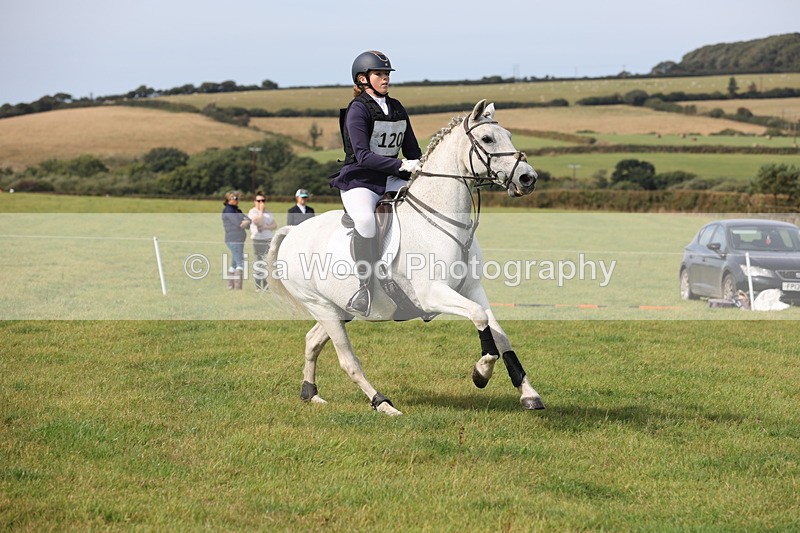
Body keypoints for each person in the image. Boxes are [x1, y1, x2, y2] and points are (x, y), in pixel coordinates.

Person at [330, 50, 423, 316]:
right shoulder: (357, 110)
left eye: (386, 74)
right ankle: (364, 287)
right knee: (366, 222)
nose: (385, 79)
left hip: (392, 178)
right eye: (379, 74)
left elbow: (412, 149)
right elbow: (362, 155)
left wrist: (418, 165)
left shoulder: (396, 107)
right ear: (362, 79)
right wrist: (400, 164)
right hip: (360, 180)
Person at [248, 191, 277, 291]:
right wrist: (260, 210)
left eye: (263, 200)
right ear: (254, 201)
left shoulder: (268, 213)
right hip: (258, 240)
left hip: (268, 239)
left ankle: (265, 284)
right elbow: (257, 222)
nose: (261, 202)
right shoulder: (252, 212)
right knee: (259, 262)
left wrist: (266, 227)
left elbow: (274, 225)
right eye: (258, 200)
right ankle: (258, 285)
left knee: (267, 262)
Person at [221, 191, 250, 290]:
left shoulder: (237, 210)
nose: (237, 200)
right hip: (234, 239)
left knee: (234, 263)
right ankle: (238, 288)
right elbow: (239, 223)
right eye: (234, 198)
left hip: (239, 239)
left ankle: (230, 286)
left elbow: (248, 221)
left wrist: (246, 221)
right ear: (228, 199)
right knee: (240, 262)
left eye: (237, 198)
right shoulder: (228, 211)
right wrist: (245, 221)